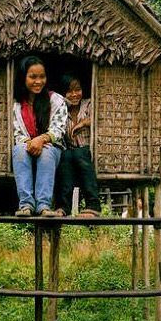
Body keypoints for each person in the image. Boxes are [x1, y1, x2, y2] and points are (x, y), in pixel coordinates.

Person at [12, 56, 67, 217]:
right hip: (27, 146)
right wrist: (31, 143)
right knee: (20, 150)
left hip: (50, 146)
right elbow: (17, 132)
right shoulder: (17, 104)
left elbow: (59, 128)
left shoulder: (55, 100)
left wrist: (41, 139)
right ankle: (26, 205)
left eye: (42, 77)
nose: (38, 81)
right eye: (33, 77)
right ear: (23, 77)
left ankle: (43, 206)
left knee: (46, 153)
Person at [55, 74, 101, 217]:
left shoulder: (88, 104)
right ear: (63, 94)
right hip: (71, 154)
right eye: (69, 91)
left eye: (78, 90)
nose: (74, 94)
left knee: (79, 154)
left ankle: (93, 205)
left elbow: (99, 118)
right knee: (66, 156)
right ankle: (63, 207)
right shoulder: (61, 110)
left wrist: (83, 123)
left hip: (87, 152)